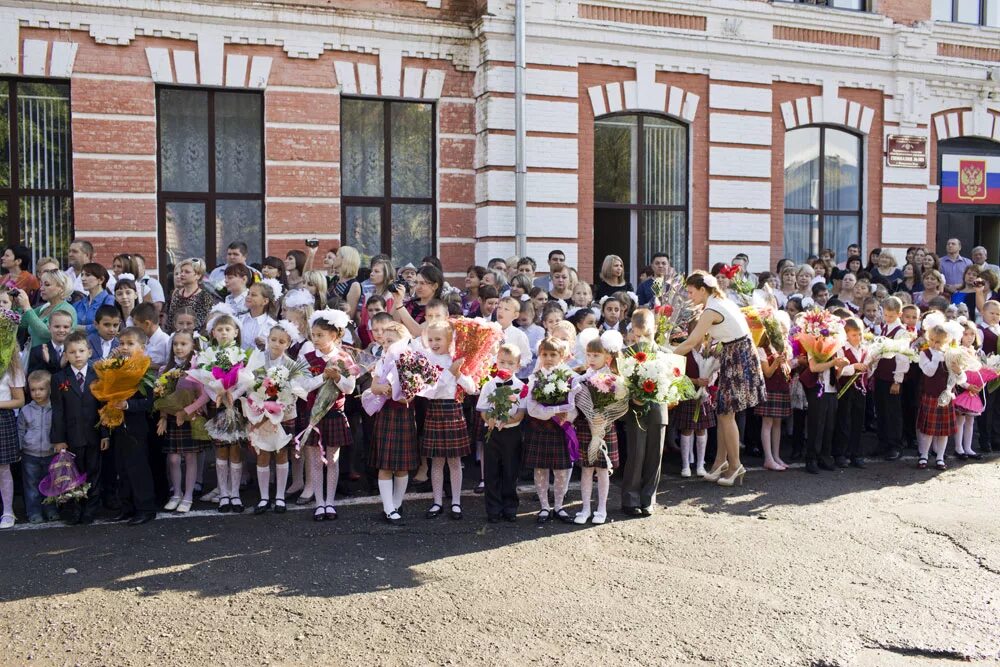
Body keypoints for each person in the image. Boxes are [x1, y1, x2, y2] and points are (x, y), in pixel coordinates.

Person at [674, 272, 767, 486]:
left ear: (702, 289)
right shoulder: (720, 300)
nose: (689, 296)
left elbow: (691, 342)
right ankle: (720, 463)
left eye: (691, 291)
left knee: (725, 413)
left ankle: (735, 466)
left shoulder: (711, 309)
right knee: (725, 411)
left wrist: (665, 355)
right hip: (737, 352)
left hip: (737, 355)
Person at [299, 309, 357, 521]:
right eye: (313, 335)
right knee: (314, 460)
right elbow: (304, 385)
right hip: (314, 415)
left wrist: (338, 377)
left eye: (320, 335)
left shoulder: (345, 357)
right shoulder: (307, 357)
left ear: (334, 336)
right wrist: (323, 377)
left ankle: (330, 502)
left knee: (332, 459)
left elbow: (350, 388)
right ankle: (319, 502)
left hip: (335, 413)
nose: (315, 339)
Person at [419, 320, 475, 521]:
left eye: (438, 339)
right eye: (431, 339)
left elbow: (471, 388)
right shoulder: (426, 359)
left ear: (449, 339)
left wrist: (458, 374)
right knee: (436, 461)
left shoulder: (457, 359)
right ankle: (437, 502)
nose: (434, 343)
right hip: (435, 409)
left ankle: (456, 502)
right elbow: (428, 391)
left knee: (455, 461)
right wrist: (448, 374)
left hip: (453, 410)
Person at [366, 322, 420, 525]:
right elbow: (373, 386)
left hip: (404, 415)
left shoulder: (411, 363)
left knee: (402, 466)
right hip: (387, 415)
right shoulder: (383, 361)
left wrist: (397, 394)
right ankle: (388, 508)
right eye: (385, 341)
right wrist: (384, 389)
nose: (387, 344)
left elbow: (409, 398)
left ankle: (397, 504)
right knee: (385, 465)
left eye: (391, 341)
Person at [50, 331, 102, 524]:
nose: (77, 355)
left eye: (81, 350)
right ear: (66, 355)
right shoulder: (59, 378)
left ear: (89, 352)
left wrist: (105, 434)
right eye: (72, 352)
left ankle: (91, 508)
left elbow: (103, 408)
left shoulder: (98, 376)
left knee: (94, 472)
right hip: (71, 436)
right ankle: (74, 509)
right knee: (72, 473)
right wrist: (58, 439)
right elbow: (57, 411)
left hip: (94, 434)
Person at [524, 336, 577, 523]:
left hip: (560, 430)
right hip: (541, 428)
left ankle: (559, 506)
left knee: (560, 470)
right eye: (544, 354)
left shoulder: (569, 377)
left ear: (561, 355)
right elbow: (532, 409)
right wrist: (554, 411)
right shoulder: (534, 378)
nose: (548, 358)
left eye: (553, 354)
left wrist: (566, 415)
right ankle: (544, 507)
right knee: (541, 469)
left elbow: (574, 407)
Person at [107, 328, 157, 525]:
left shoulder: (146, 370)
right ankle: (127, 507)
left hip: (137, 427)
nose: (125, 347)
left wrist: (128, 405)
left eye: (130, 344)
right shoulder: (116, 367)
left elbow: (149, 402)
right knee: (122, 468)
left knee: (138, 469)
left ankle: (145, 508)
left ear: (142, 348)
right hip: (118, 425)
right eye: (122, 343)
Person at [477, 343, 525, 523]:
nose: (505, 367)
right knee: (492, 472)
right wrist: (489, 418)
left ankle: (510, 507)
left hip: (512, 433)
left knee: (510, 471)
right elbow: (482, 409)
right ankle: (493, 509)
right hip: (492, 432)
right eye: (502, 362)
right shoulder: (489, 385)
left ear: (518, 365)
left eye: (510, 363)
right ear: (496, 362)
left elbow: (521, 412)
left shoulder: (521, 386)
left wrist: (509, 420)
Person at [156, 331, 201, 514]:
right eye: (176, 344)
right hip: (173, 418)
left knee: (190, 456)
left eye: (184, 344)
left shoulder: (196, 369)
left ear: (192, 347)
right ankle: (176, 493)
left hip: (189, 417)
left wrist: (187, 411)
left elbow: (202, 394)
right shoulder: (164, 370)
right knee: (173, 458)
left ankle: (188, 495)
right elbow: (160, 396)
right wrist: (164, 417)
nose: (179, 348)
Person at [916, 322, 957, 470]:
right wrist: (936, 358)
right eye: (931, 339)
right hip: (931, 395)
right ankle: (924, 455)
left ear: (945, 341)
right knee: (929, 430)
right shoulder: (924, 353)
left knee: (943, 431)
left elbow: (954, 376)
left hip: (944, 396)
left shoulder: (949, 354)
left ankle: (940, 457)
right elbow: (929, 372)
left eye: (938, 341)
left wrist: (949, 389)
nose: (934, 343)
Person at [675, 334, 717, 478]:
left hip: (704, 394)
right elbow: (679, 374)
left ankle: (700, 464)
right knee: (687, 429)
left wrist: (710, 379)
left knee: (701, 430)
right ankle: (685, 465)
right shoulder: (685, 351)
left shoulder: (709, 351)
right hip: (689, 394)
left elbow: (714, 371)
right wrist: (696, 381)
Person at [873, 297, 909, 461]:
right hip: (880, 375)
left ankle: (895, 445)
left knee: (893, 412)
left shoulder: (901, 332)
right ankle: (883, 442)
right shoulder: (883, 328)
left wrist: (897, 380)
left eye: (891, 316)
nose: (888, 318)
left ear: (899, 314)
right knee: (881, 410)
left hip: (892, 377)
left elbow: (902, 357)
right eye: (886, 315)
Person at [756, 323, 792, 472]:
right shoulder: (762, 349)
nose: (782, 336)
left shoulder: (783, 348)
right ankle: (768, 458)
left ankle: (776, 456)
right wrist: (776, 362)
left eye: (784, 333)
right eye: (779, 333)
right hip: (769, 388)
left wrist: (784, 364)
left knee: (778, 423)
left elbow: (788, 371)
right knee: (767, 423)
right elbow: (768, 373)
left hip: (781, 388)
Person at [834, 318, 869, 468]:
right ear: (846, 335)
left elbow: (868, 369)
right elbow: (839, 371)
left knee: (857, 421)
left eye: (859, 334)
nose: (857, 338)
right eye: (854, 335)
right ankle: (840, 453)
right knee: (844, 421)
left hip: (860, 389)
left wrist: (867, 368)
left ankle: (856, 453)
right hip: (845, 390)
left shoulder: (864, 349)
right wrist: (854, 367)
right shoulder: (842, 349)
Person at [18, 372, 52, 525]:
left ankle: (51, 509)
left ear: (49, 389)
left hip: (50, 453)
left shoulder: (55, 409)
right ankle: (34, 511)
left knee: (51, 483)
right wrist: (19, 448)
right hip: (29, 454)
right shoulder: (25, 410)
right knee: (31, 485)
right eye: (33, 390)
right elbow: (20, 431)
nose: (37, 393)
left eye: (41, 389)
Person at [15, 269, 77, 349]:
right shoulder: (45, 306)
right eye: (41, 284)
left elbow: (47, 333)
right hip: (35, 356)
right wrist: (18, 306)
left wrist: (27, 307)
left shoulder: (66, 309)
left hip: (51, 358)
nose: (41, 288)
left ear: (61, 288)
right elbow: (22, 323)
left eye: (47, 285)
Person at [952, 320, 985, 462]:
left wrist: (981, 383)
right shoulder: (957, 352)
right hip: (962, 387)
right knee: (960, 419)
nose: (970, 337)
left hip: (974, 389)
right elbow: (955, 372)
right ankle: (958, 447)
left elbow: (981, 370)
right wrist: (966, 385)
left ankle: (968, 447)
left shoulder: (977, 352)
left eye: (972, 334)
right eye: (966, 334)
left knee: (970, 420)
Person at [165, 258, 218, 332]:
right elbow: (171, 320)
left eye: (187, 272)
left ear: (198, 275)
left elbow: (204, 325)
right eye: (182, 271)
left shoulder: (204, 296)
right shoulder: (176, 294)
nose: (182, 274)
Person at [26, 310, 73, 376]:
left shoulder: (74, 352)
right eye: (57, 326)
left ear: (71, 329)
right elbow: (33, 380)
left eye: (66, 327)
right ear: (49, 328)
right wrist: (48, 363)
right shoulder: (37, 351)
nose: (61, 330)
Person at [74, 263, 115, 334]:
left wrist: (78, 328)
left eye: (88, 275)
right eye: (82, 275)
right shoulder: (79, 303)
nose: (82, 278)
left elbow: (106, 324)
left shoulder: (110, 300)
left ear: (101, 280)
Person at [132, 303, 169, 369]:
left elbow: (172, 370)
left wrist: (154, 366)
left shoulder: (166, 341)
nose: (134, 328)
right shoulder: (140, 340)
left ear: (147, 323)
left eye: (135, 324)